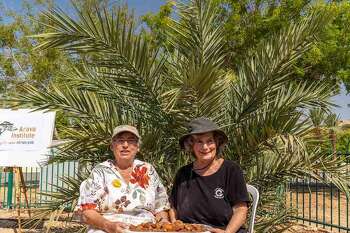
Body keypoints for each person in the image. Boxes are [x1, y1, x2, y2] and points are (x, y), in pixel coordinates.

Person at [76, 125, 170, 233]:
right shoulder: (100, 171)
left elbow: (161, 207)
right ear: (112, 146)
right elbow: (87, 211)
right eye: (120, 141)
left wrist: (163, 223)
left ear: (138, 147)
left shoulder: (148, 169)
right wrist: (109, 226)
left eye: (130, 141)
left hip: (145, 228)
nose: (125, 145)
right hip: (107, 227)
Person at [169, 117, 249, 233]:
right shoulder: (183, 173)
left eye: (209, 141)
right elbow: (173, 208)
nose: (205, 147)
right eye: (199, 142)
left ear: (217, 142)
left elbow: (241, 210)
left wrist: (227, 232)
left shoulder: (231, 170)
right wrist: (175, 227)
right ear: (191, 146)